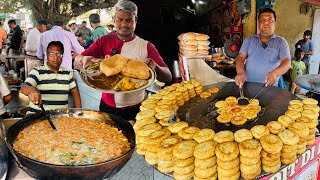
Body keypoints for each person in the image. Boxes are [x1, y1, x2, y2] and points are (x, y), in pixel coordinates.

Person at [75, 0, 172, 120]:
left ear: (135, 20)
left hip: (137, 108)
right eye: (120, 19)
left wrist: (155, 66)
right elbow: (77, 61)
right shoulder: (104, 41)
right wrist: (83, 59)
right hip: (108, 107)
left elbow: (168, 77)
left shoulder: (146, 46)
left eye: (128, 20)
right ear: (114, 19)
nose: (124, 24)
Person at [235, 8, 291, 87]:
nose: (266, 23)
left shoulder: (281, 42)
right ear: (258, 23)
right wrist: (240, 72)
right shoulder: (249, 40)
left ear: (274, 23)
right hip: (247, 85)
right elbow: (240, 57)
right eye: (263, 20)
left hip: (269, 87)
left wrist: (275, 73)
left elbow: (287, 62)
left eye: (270, 20)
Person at [21, 41, 81, 114]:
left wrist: (78, 113)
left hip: (61, 118)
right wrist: (32, 90)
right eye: (52, 54)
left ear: (62, 56)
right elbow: (24, 87)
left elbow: (75, 91)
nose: (55, 58)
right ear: (47, 55)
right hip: (36, 117)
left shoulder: (67, 73)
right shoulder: (38, 71)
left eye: (59, 54)